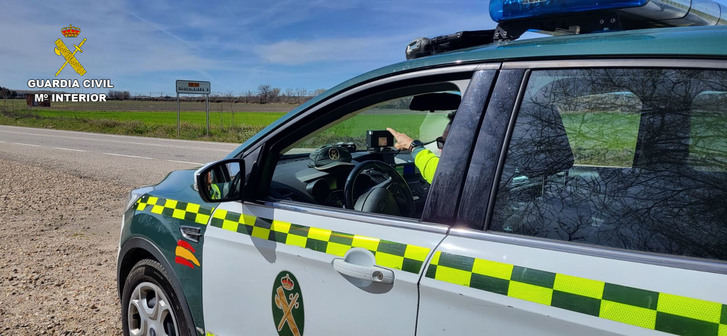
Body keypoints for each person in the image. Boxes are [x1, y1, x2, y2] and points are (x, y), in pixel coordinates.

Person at [387, 112, 453, 184]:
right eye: (441, 142)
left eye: (448, 143)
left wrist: (412, 145)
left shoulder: (456, 173)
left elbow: (440, 173)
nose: (440, 149)